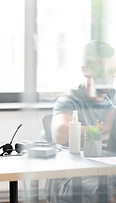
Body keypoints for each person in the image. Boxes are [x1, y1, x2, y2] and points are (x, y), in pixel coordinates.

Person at [47, 40, 116, 203]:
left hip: (108, 171)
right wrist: (105, 129)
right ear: (85, 71)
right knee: (109, 195)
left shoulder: (112, 99)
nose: (108, 78)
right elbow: (62, 134)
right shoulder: (69, 99)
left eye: (112, 72)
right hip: (73, 176)